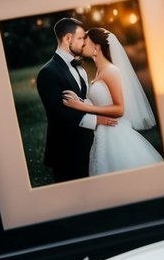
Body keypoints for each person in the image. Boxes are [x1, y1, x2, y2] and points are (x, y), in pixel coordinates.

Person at [62, 26, 163, 175]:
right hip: (103, 134)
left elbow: (119, 109)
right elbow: (102, 102)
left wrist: (82, 107)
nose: (82, 44)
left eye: (85, 42)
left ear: (96, 46)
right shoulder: (100, 71)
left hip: (116, 135)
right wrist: (81, 101)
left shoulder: (111, 71)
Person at [35, 17, 117, 183]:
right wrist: (97, 120)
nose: (84, 43)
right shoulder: (48, 72)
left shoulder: (81, 67)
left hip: (88, 144)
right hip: (66, 150)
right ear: (68, 39)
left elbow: (83, 100)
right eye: (80, 38)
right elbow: (58, 113)